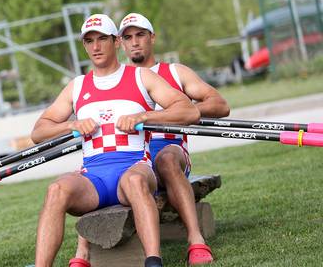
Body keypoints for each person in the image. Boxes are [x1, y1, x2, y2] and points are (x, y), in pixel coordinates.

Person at [31, 14, 200, 267]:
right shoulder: (76, 86)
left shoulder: (141, 77)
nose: (96, 47)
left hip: (134, 167)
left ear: (117, 42)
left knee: (134, 181)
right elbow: (38, 132)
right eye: (89, 41)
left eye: (102, 39)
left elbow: (189, 112)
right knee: (56, 190)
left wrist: (145, 115)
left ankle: (153, 262)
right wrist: (71, 125)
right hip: (94, 179)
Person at [71, 13, 230, 266]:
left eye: (140, 35)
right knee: (87, 171)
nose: (134, 42)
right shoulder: (114, 80)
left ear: (152, 38)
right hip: (129, 158)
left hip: (168, 150)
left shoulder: (174, 72)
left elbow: (220, 105)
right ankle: (82, 255)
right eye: (128, 37)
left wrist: (162, 115)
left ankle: (196, 240)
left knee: (165, 159)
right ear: (119, 43)